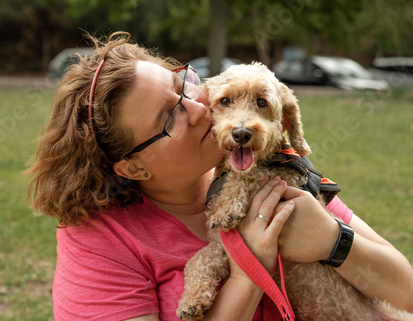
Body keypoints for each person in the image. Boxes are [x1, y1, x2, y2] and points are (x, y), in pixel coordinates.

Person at [27, 32, 413, 321]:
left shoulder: (274, 173)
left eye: (184, 88)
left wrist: (332, 241)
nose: (198, 109)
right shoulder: (101, 241)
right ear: (132, 167)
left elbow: (406, 292)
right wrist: (250, 269)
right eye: (168, 118)